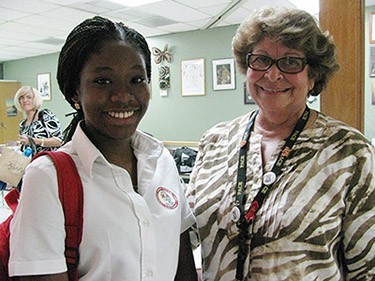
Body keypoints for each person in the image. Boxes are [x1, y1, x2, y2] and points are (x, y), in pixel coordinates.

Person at [187, 6, 375, 281]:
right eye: (261, 60)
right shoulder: (215, 141)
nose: (273, 75)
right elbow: (188, 232)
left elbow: (367, 269)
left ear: (313, 76)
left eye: (290, 62)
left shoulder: (349, 151)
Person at [9, 16, 197, 280]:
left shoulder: (161, 160)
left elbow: (182, 261)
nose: (123, 95)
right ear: (76, 92)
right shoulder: (47, 177)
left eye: (136, 79)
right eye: (103, 81)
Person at [14, 86, 63, 153]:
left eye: (29, 97)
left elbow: (59, 141)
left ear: (35, 99)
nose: (25, 100)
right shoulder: (22, 124)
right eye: (21, 97)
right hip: (31, 161)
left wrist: (34, 141)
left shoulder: (45, 116)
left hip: (47, 160)